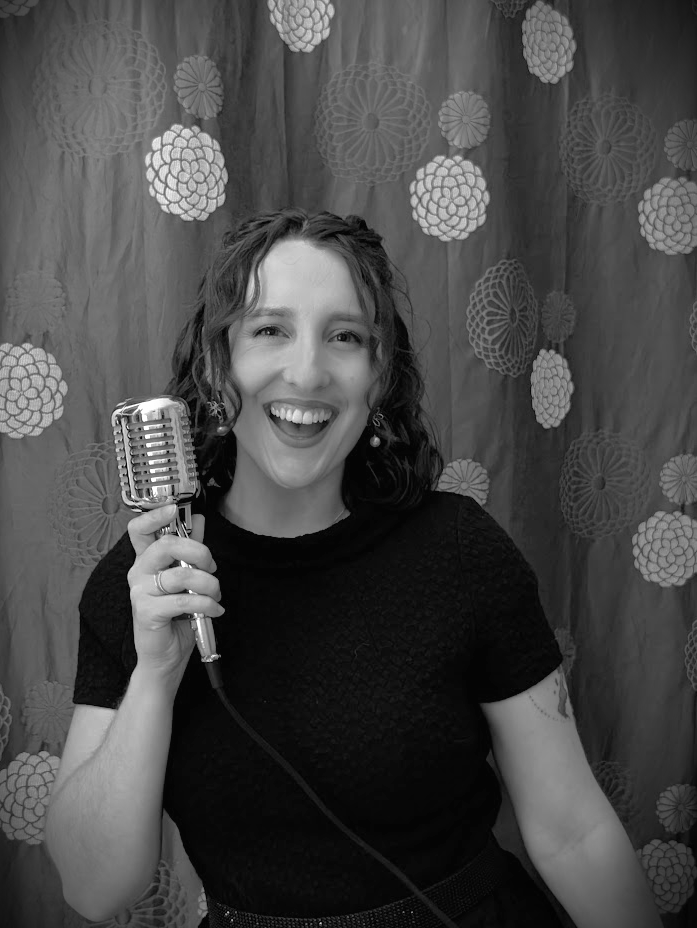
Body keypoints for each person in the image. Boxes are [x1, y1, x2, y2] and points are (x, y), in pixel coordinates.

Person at [45, 208, 662, 928]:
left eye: (344, 337)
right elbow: (93, 890)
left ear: (377, 377)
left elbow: (572, 832)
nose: (306, 372)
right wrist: (156, 673)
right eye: (269, 329)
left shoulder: (460, 554)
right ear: (219, 365)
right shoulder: (144, 579)